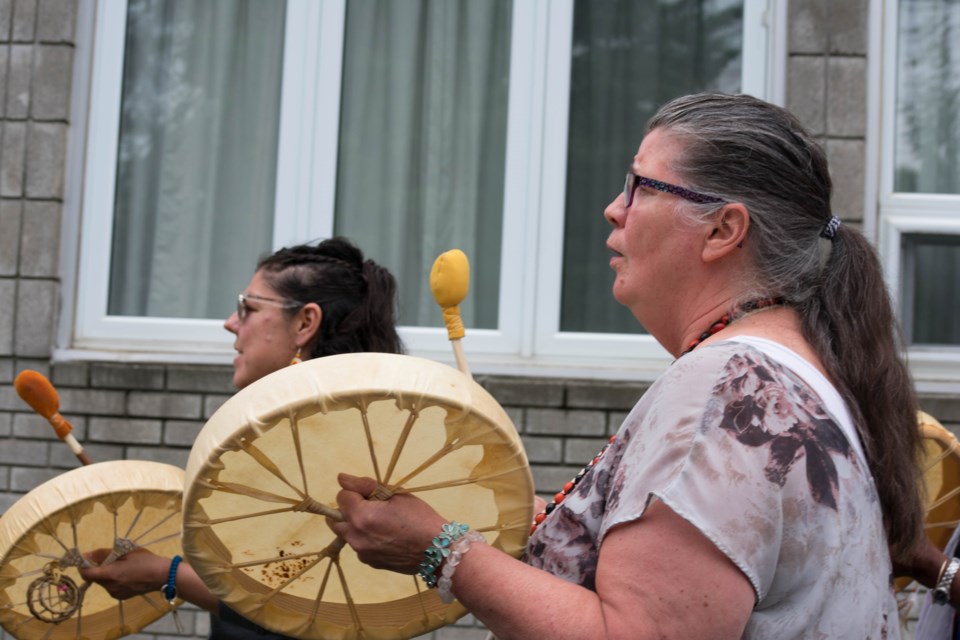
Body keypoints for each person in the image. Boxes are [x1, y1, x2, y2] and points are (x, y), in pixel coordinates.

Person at [327, 93, 926, 638]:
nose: (615, 209)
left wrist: (440, 550)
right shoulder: (791, 369)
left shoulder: (731, 391)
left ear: (723, 229)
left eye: (642, 187)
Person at [79, 236, 404, 639]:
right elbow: (272, 580)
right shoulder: (305, 430)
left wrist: (168, 573)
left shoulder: (337, 445)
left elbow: (302, 604)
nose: (231, 323)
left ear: (305, 323)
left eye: (247, 308)